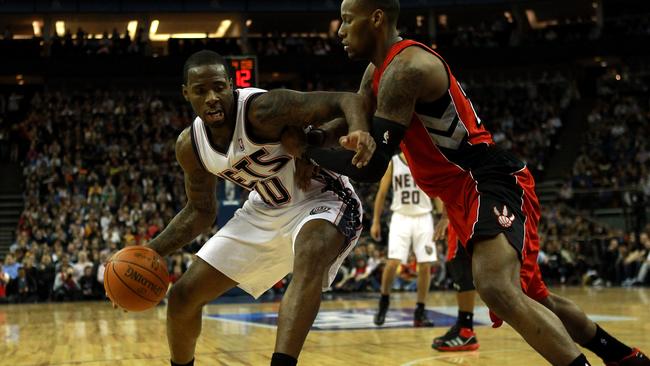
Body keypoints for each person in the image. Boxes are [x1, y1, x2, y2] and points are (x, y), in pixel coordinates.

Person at [282, 1, 650, 365]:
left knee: (493, 285)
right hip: (460, 193)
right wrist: (312, 139)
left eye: (347, 20)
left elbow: (372, 165)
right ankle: (622, 356)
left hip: (487, 180)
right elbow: (354, 114)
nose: (340, 31)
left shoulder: (405, 69)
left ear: (376, 18)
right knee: (532, 297)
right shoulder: (375, 71)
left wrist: (307, 151)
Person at [127, 50, 373, 366]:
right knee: (182, 297)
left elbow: (345, 99)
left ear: (231, 85)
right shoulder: (190, 146)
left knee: (310, 254)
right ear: (186, 93)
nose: (212, 97)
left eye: (219, 87)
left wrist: (357, 130)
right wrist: (147, 254)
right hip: (265, 209)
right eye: (201, 90)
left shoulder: (263, 110)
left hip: (322, 198)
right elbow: (200, 211)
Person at [370, 152, 441, 327]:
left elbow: (437, 192)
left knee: (425, 264)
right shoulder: (393, 161)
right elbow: (382, 192)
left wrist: (441, 217)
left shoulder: (426, 159)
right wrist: (375, 221)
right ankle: (384, 301)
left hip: (424, 217)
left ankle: (420, 310)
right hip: (400, 216)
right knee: (393, 262)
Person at [432, 224, 479, 352]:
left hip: (465, 215)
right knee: (458, 265)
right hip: (461, 215)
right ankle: (462, 325)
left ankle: (467, 331)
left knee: (461, 264)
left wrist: (444, 217)